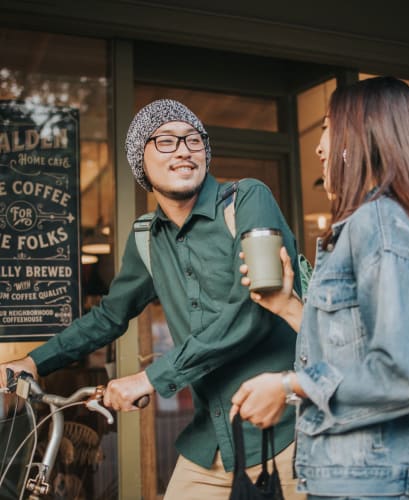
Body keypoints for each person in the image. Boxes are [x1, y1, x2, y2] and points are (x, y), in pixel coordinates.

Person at [0, 99, 306, 499]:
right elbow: (110, 315)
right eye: (165, 140)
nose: (183, 149)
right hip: (210, 439)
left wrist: (151, 378)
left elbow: (252, 310)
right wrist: (34, 362)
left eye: (194, 140)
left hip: (286, 433)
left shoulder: (247, 199)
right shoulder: (147, 236)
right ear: (139, 161)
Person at [230, 76, 409, 500]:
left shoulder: (379, 225)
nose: (318, 147)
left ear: (360, 138)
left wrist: (286, 386)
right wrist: (288, 306)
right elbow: (355, 352)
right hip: (356, 480)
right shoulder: (370, 226)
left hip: (372, 484)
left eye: (327, 127)